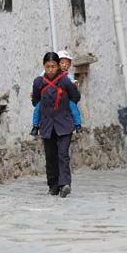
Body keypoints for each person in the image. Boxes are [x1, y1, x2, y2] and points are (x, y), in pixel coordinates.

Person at [32, 52, 81, 197]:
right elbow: (35, 101)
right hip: (47, 124)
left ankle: (65, 184)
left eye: (53, 66)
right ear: (44, 66)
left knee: (63, 154)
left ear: (58, 66)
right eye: (48, 67)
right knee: (50, 156)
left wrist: (64, 106)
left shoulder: (65, 81)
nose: (51, 69)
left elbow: (75, 96)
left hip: (64, 122)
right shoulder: (38, 82)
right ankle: (52, 185)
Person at [30, 50, 82, 136]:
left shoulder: (67, 76)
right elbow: (39, 83)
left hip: (63, 101)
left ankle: (78, 124)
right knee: (38, 108)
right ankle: (35, 126)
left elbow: (73, 87)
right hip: (47, 102)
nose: (65, 65)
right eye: (62, 63)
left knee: (73, 107)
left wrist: (74, 85)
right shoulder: (44, 74)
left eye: (67, 63)